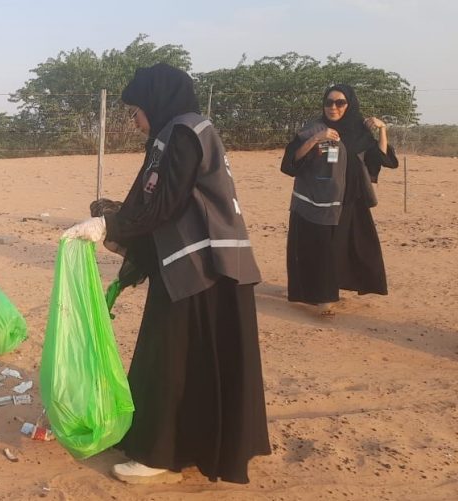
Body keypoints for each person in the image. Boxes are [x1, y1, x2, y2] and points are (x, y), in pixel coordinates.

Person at [63, 63, 270, 484]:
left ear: (156, 103)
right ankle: (175, 444)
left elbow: (167, 204)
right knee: (184, 360)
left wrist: (111, 227)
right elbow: (152, 199)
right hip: (197, 267)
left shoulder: (181, 132)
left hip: (204, 270)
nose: (134, 120)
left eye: (136, 110)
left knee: (172, 360)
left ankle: (162, 454)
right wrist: (117, 216)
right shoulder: (178, 131)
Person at [281, 84, 397, 318]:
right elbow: (291, 161)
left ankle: (331, 289)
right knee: (321, 248)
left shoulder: (359, 132)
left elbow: (380, 158)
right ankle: (324, 299)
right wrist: (316, 139)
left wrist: (382, 130)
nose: (333, 107)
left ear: (350, 104)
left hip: (350, 201)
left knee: (342, 248)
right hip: (317, 200)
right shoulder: (313, 129)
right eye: (328, 102)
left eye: (340, 103)